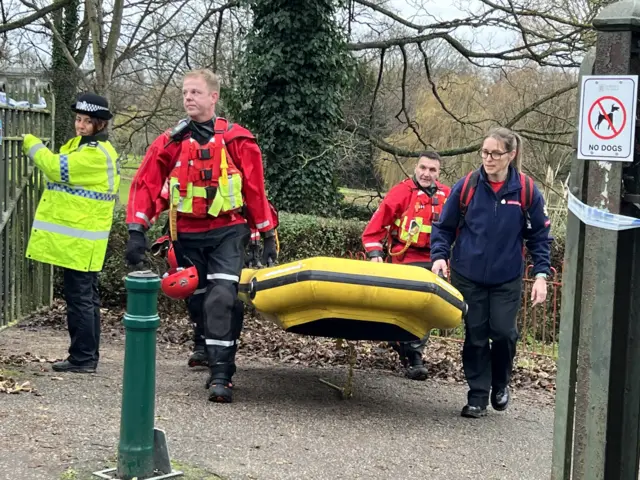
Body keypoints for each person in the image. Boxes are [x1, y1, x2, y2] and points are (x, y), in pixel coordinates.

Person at [124, 69, 277, 403]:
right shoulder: (169, 142)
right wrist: (137, 229)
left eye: (195, 92)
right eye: (184, 93)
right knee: (196, 298)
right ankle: (204, 343)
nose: (188, 98)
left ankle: (222, 374)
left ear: (213, 97)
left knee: (221, 298)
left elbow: (254, 189)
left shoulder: (238, 140)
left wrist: (266, 234)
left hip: (228, 231)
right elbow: (146, 183)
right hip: (186, 232)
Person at [430, 126, 551, 418]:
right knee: (475, 335)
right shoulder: (468, 185)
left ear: (512, 154)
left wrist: (541, 275)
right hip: (467, 275)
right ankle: (477, 396)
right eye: (485, 152)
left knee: (504, 332)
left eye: (496, 153)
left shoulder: (526, 190)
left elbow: (539, 237)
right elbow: (444, 227)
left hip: (505, 278)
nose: (489, 158)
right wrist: (440, 256)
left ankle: (500, 383)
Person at [22, 92, 120, 373]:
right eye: (78, 119)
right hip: (79, 240)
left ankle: (84, 358)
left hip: (82, 241)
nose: (80, 125)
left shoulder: (94, 154)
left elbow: (54, 168)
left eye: (87, 121)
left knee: (81, 300)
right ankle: (83, 356)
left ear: (99, 124)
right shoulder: (81, 146)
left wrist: (31, 143)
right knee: (84, 298)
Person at [361, 151, 450, 380]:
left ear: (439, 173)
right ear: (416, 167)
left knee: (426, 309)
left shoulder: (448, 196)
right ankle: (413, 355)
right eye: (423, 168)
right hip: (405, 259)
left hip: (435, 262)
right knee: (410, 307)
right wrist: (374, 253)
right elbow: (374, 229)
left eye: (432, 170)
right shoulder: (401, 192)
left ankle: (410, 350)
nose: (426, 173)